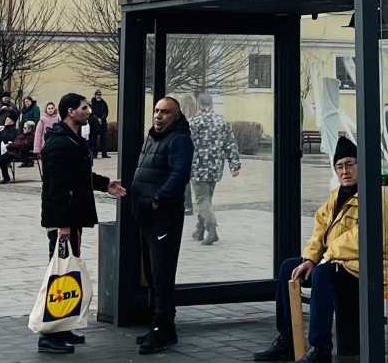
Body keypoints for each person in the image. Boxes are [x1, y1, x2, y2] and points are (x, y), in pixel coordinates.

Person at [255, 137, 388, 363]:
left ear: (361, 165)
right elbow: (319, 232)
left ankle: (320, 349)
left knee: (324, 274)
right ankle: (287, 340)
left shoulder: (378, 195)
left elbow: (366, 239)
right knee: (288, 268)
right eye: (340, 166)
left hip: (366, 268)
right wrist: (310, 259)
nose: (345, 171)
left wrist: (325, 258)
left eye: (350, 164)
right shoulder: (336, 197)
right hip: (337, 264)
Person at [38, 93, 126, 356]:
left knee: (69, 273)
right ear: (70, 112)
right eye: (83, 107)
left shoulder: (72, 139)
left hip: (73, 218)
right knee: (60, 276)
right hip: (64, 220)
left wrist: (104, 184)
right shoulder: (59, 143)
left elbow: (78, 175)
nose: (89, 110)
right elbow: (56, 186)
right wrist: (63, 224)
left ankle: (62, 327)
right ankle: (49, 334)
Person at [129, 95, 195, 355]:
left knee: (162, 274)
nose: (158, 116)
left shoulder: (179, 140)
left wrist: (157, 200)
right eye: (156, 111)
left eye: (165, 112)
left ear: (176, 116)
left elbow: (179, 175)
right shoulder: (153, 137)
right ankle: (162, 327)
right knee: (153, 275)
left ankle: (163, 328)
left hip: (163, 217)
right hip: (146, 217)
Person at [189, 94, 240, 247]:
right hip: (216, 168)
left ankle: (212, 229)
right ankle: (199, 229)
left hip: (198, 167)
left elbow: (185, 145)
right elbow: (230, 144)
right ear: (211, 105)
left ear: (199, 105)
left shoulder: (193, 122)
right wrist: (234, 165)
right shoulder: (222, 121)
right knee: (207, 199)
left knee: (201, 200)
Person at [89, 90, 110, 160]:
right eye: (97, 94)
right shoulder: (92, 103)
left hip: (103, 123)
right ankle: (94, 154)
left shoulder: (103, 103)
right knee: (94, 139)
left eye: (100, 94)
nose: (99, 96)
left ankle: (104, 154)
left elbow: (106, 112)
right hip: (94, 123)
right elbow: (91, 112)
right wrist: (97, 119)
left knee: (104, 139)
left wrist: (102, 118)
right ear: (95, 95)